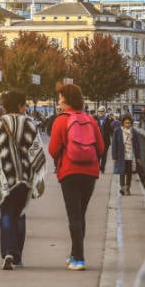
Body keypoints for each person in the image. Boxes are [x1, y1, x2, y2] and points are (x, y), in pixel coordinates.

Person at [0, 90, 46, 270]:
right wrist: (37, 174)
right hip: (24, 178)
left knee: (5, 212)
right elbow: (36, 151)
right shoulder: (30, 124)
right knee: (20, 213)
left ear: (5, 106)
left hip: (3, 177)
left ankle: (8, 251)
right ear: (21, 106)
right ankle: (18, 256)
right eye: (24, 105)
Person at [47, 81, 104, 271]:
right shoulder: (90, 120)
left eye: (60, 98)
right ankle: (74, 254)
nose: (59, 102)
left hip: (70, 172)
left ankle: (79, 259)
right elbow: (101, 148)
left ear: (65, 100)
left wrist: (63, 155)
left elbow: (53, 149)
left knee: (73, 215)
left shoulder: (61, 120)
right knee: (80, 214)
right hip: (90, 172)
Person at [111, 115, 140, 196]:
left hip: (131, 155)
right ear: (122, 123)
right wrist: (114, 157)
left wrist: (138, 156)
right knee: (122, 172)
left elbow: (137, 145)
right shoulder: (117, 131)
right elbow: (114, 144)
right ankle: (122, 188)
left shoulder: (134, 132)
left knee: (129, 173)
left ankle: (127, 188)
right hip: (121, 155)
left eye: (129, 123)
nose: (127, 124)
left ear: (131, 123)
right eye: (126, 123)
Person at [97, 107, 115, 173]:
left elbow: (111, 130)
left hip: (105, 141)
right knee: (97, 155)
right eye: (99, 111)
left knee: (104, 155)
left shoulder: (108, 120)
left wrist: (114, 138)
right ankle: (97, 167)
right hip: (97, 141)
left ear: (104, 112)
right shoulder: (96, 120)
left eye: (102, 111)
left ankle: (102, 168)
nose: (100, 112)